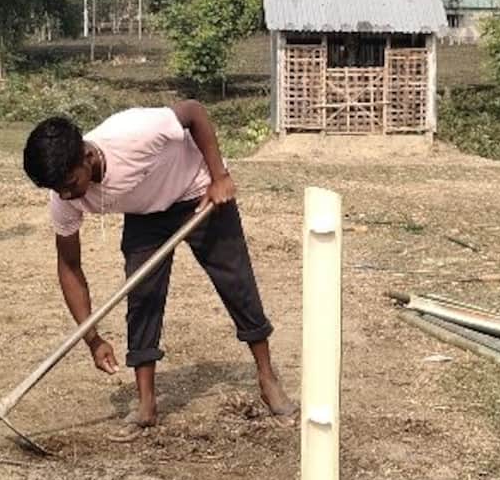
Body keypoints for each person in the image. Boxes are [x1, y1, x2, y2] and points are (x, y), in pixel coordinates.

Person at [21, 101, 295, 437]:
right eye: (56, 189)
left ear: (87, 157)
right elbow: (69, 266)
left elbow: (194, 112)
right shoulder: (63, 197)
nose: (65, 193)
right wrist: (92, 339)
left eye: (70, 183)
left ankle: (267, 378)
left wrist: (219, 176)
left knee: (236, 282)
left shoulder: (135, 133)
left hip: (197, 191)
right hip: (146, 211)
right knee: (143, 294)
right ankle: (146, 405)